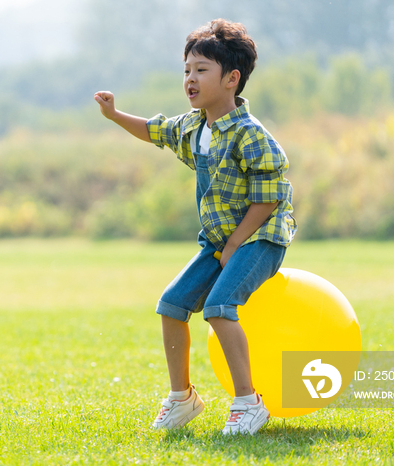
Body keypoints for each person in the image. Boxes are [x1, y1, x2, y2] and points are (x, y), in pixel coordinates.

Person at [94, 18, 296, 435]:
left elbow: (269, 195)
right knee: (172, 304)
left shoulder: (250, 134)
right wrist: (114, 116)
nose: (190, 78)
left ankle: (248, 402)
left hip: (259, 238)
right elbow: (155, 131)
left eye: (201, 70)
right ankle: (182, 398)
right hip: (220, 241)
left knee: (220, 307)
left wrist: (236, 244)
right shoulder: (192, 126)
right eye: (186, 70)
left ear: (231, 79)